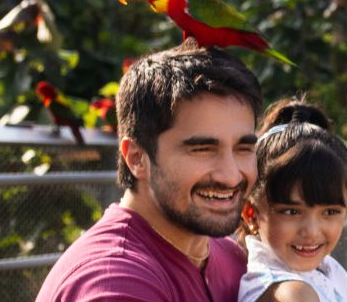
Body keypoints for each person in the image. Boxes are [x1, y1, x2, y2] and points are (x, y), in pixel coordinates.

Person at [37, 42, 263, 302]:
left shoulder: (233, 259)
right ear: (136, 157)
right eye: (202, 149)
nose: (231, 176)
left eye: (243, 148)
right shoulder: (114, 284)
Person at [237, 98, 347, 302]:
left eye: (330, 212)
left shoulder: (325, 269)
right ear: (250, 214)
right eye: (291, 211)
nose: (312, 232)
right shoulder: (293, 294)